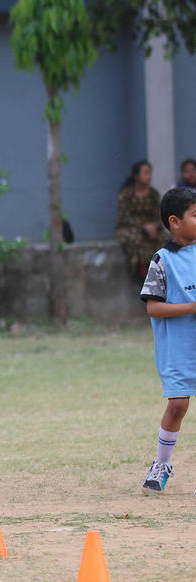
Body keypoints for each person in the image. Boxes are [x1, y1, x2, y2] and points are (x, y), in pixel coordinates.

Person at [139, 186, 196, 494]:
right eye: (195, 215)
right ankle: (162, 464)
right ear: (175, 222)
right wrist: (191, 307)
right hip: (177, 348)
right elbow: (153, 306)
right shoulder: (162, 261)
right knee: (178, 405)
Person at [116, 160, 165, 282]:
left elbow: (159, 214)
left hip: (152, 228)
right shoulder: (126, 194)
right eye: (146, 172)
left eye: (150, 172)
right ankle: (141, 274)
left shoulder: (153, 194)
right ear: (136, 176)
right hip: (130, 227)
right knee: (136, 238)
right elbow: (124, 217)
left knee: (165, 239)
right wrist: (143, 227)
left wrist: (154, 226)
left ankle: (162, 274)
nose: (149, 176)